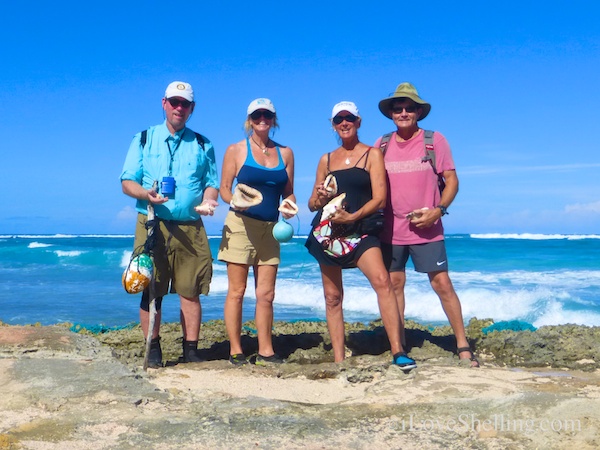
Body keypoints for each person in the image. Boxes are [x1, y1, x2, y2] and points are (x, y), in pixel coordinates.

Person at [305, 101, 416, 369]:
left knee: (382, 281)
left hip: (362, 230)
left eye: (349, 118)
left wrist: (353, 217)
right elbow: (312, 204)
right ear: (333, 124)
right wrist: (319, 197)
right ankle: (339, 359)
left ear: (358, 121)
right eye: (339, 119)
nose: (344, 123)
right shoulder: (326, 159)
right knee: (332, 297)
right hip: (329, 235)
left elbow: (380, 199)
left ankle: (398, 351)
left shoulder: (372, 154)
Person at [376, 82, 479, 367]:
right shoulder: (381, 145)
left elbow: (452, 180)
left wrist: (438, 210)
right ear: (391, 114)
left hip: (428, 229)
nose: (404, 113)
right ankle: (400, 345)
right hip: (390, 230)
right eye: (398, 109)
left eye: (410, 108)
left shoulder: (434, 141)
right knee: (394, 285)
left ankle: (462, 345)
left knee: (442, 283)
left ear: (419, 111)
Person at [120, 81, 219, 368]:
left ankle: (191, 351)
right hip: (152, 222)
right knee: (151, 289)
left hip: (190, 224)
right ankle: (153, 350)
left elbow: (212, 184)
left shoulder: (203, 144)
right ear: (164, 103)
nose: (179, 108)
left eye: (184, 103)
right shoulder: (143, 138)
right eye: (174, 102)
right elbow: (127, 181)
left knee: (191, 289)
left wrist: (210, 201)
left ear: (192, 109)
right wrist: (145, 194)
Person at [218, 98, 297, 366]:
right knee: (237, 291)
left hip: (271, 229)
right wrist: (234, 200)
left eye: (267, 114)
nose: (262, 118)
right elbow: (225, 188)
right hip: (240, 225)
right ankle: (236, 350)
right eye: (256, 114)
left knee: (266, 294)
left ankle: (265, 351)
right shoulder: (236, 149)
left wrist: (289, 206)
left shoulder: (286, 153)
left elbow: (289, 192)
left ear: (274, 119)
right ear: (249, 119)